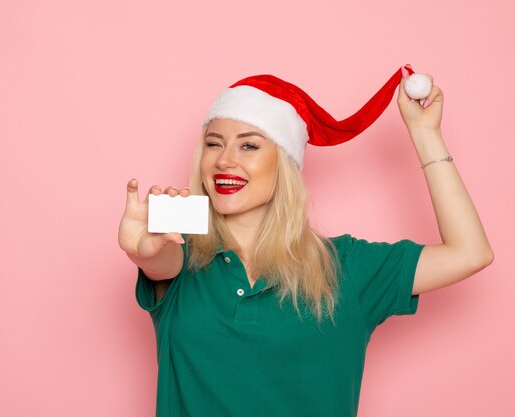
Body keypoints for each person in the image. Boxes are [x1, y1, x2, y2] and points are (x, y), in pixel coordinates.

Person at [118, 65, 493, 417]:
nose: (223, 160)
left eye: (249, 146)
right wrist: (142, 252)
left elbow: (469, 253)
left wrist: (426, 135)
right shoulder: (180, 255)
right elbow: (160, 263)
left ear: (284, 162)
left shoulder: (346, 267)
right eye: (214, 145)